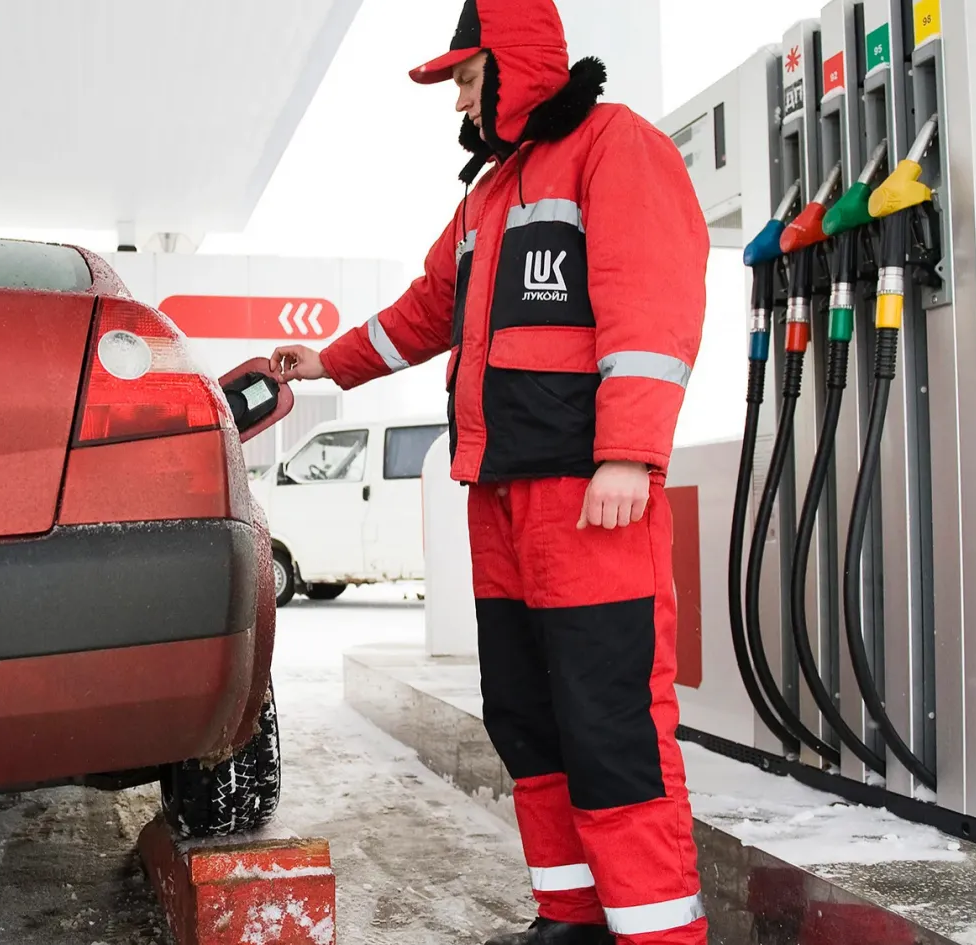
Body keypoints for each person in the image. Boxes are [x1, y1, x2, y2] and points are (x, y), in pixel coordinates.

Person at [270, 2, 710, 943]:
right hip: (503, 494)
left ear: (512, 66)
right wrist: (328, 364)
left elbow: (653, 303)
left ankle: (659, 932)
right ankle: (572, 916)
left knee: (610, 725)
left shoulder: (613, 147)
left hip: (589, 495)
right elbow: (428, 310)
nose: (459, 102)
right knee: (526, 716)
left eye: (466, 79)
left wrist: (629, 452)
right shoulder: (487, 194)